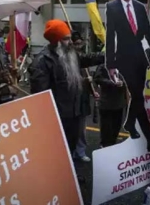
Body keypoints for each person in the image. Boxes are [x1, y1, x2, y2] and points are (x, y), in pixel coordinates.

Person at [28, 19, 103, 181]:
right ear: (55, 41)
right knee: (56, 150)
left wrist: (110, 55)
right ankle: (56, 180)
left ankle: (68, 176)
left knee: (70, 146)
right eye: (66, 38)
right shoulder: (42, 61)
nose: (71, 42)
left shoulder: (70, 53)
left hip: (75, 113)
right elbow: (40, 96)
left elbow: (88, 58)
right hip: (58, 117)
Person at [105, 0, 150, 151]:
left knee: (138, 97)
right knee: (137, 95)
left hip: (140, 58)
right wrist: (110, 64)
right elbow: (110, 36)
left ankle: (130, 123)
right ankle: (149, 139)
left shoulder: (139, 6)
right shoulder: (111, 7)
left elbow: (148, 33)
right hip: (123, 58)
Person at [71, 31, 98, 162]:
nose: (78, 46)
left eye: (80, 43)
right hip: (70, 102)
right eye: (76, 44)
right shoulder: (66, 60)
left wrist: (93, 91)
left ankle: (80, 151)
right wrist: (84, 80)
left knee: (82, 129)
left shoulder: (82, 57)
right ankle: (70, 152)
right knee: (71, 129)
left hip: (83, 99)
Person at [94, 64, 128, 147]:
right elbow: (97, 79)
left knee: (116, 127)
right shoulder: (103, 65)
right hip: (106, 103)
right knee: (106, 128)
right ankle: (105, 146)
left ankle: (112, 144)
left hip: (119, 102)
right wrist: (111, 83)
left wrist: (123, 83)